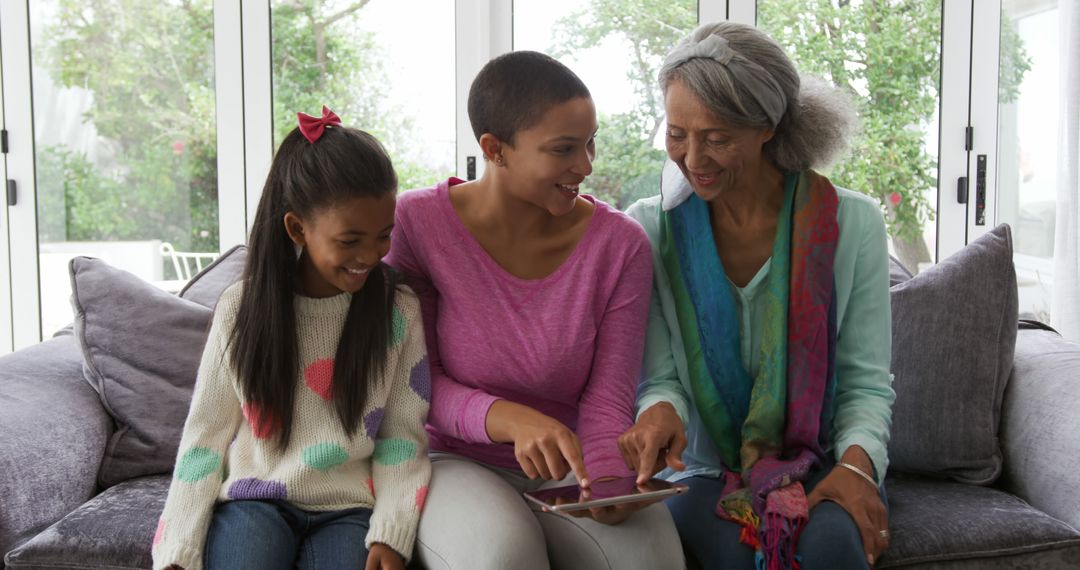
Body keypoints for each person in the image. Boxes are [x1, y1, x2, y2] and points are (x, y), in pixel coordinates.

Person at [386, 51, 683, 569]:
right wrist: (510, 420)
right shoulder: (416, 224)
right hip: (457, 457)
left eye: (591, 142)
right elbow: (414, 382)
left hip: (572, 460)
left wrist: (610, 482)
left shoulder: (621, 246)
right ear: (495, 150)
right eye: (564, 149)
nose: (586, 166)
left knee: (650, 559)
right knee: (504, 555)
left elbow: (608, 392)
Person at [618, 22, 896, 570]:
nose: (693, 158)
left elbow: (865, 382)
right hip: (701, 471)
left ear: (768, 127)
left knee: (832, 549)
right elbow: (662, 379)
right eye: (678, 134)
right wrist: (656, 414)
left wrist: (857, 468)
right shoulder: (649, 229)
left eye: (717, 137)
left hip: (822, 463)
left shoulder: (854, 223)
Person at [152, 107, 431, 570]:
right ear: (298, 228)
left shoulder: (398, 310)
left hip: (349, 510)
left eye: (384, 236)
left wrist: (392, 532)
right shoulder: (240, 309)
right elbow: (205, 436)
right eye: (350, 240)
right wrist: (177, 549)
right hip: (253, 501)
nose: (371, 255)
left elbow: (403, 435)